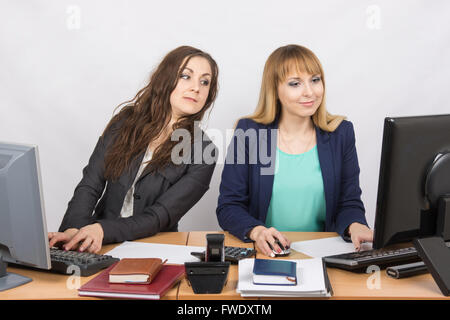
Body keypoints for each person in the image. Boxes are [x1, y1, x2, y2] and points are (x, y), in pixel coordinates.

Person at [48, 46, 219, 253]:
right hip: (97, 243)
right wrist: (73, 230)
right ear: (166, 79)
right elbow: (90, 185)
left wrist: (102, 229)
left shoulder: (204, 152)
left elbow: (158, 217)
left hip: (153, 248)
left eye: (205, 82)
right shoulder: (125, 122)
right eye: (186, 76)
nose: (196, 88)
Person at [216, 44, 373, 257]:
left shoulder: (340, 133)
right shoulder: (250, 131)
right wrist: (257, 231)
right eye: (295, 83)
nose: (309, 92)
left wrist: (355, 225)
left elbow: (349, 202)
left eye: (315, 80)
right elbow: (229, 206)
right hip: (266, 253)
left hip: (323, 254)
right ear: (275, 90)